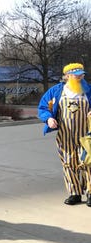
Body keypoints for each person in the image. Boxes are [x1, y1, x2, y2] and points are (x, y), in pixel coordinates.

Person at [38, 63, 91, 206]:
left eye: (82, 74)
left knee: (88, 163)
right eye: (77, 74)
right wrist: (48, 118)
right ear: (67, 76)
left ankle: (90, 192)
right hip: (65, 134)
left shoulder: (88, 91)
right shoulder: (56, 92)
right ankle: (75, 193)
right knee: (68, 163)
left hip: (86, 135)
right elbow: (43, 107)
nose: (80, 77)